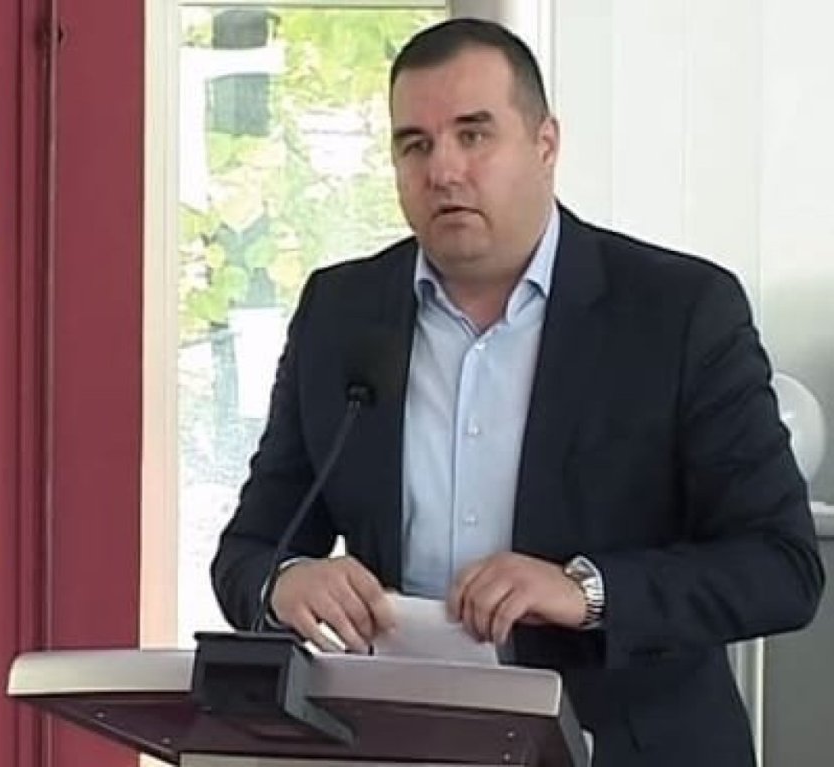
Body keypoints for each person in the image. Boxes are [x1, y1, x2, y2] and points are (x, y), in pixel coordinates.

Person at [210, 17, 825, 767]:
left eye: (473, 135)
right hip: (404, 747)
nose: (443, 170)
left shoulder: (679, 312)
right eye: (415, 145)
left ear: (545, 144)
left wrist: (587, 592)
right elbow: (248, 552)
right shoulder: (340, 313)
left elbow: (780, 567)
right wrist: (286, 583)